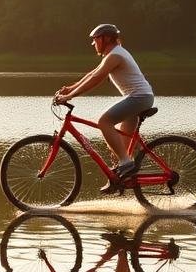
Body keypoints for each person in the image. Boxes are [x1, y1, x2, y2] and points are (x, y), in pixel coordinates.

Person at [55, 24, 154, 194]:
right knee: (120, 148)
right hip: (138, 98)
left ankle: (126, 164)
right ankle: (119, 178)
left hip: (139, 98)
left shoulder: (115, 55)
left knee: (104, 122)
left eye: (95, 39)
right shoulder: (113, 54)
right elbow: (92, 74)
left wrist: (70, 97)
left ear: (106, 39)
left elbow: (96, 79)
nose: (93, 44)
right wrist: (70, 89)